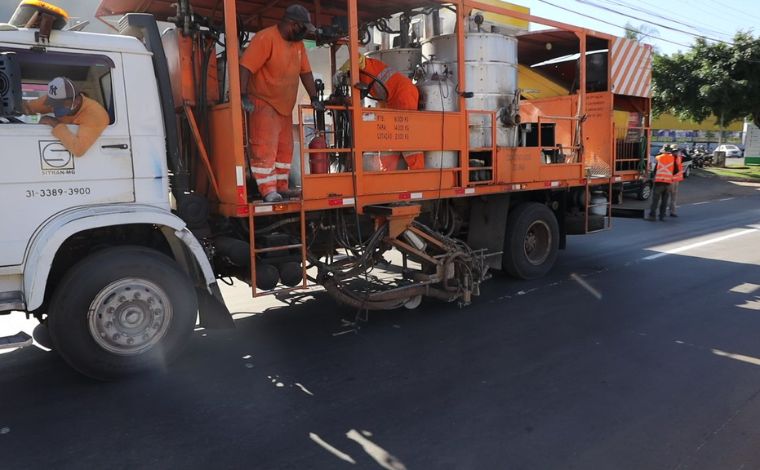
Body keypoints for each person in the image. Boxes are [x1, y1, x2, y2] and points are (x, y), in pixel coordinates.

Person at [240, 4, 322, 203]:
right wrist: (242, 95)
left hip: (284, 106)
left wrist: (315, 98)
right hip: (263, 102)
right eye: (303, 29)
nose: (304, 34)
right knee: (264, 148)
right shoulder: (265, 38)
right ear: (293, 25)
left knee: (285, 149)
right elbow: (245, 67)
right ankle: (268, 190)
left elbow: (306, 73)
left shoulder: (298, 45)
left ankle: (281, 187)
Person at [336, 55, 423, 170]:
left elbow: (356, 57)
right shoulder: (362, 79)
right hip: (392, 98)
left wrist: (339, 73)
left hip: (403, 94)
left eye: (347, 80)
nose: (347, 83)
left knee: (405, 134)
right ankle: (387, 171)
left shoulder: (365, 65)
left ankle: (418, 171)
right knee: (389, 137)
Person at [22, 76, 109, 157]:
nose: (53, 108)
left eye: (60, 104)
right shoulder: (52, 99)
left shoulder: (95, 114)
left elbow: (78, 149)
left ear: (76, 101)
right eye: (52, 103)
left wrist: (54, 123)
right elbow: (28, 108)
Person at [648, 144, 678, 221]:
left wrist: (654, 176)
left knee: (655, 200)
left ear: (663, 151)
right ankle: (662, 216)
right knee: (664, 201)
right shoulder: (673, 158)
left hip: (658, 183)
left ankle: (652, 216)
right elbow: (676, 171)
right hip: (668, 183)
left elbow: (653, 169)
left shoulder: (658, 158)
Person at [668, 147, 686, 217]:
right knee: (671, 197)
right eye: (677, 151)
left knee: (670, 197)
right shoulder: (678, 158)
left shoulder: (675, 158)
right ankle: (672, 211)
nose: (678, 152)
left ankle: (670, 211)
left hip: (672, 180)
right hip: (673, 180)